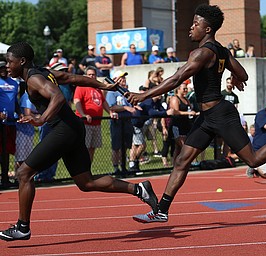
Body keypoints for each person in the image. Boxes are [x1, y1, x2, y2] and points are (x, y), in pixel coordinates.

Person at [125, 4, 266, 223]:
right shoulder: (221, 51)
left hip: (221, 114)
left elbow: (177, 79)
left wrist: (144, 95)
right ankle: (162, 210)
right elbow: (243, 74)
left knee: (253, 160)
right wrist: (235, 76)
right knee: (181, 161)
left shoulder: (202, 53)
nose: (191, 28)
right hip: (206, 118)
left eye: (195, 24)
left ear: (207, 29)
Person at [0, 42, 158, 241]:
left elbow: (57, 97)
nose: (7, 66)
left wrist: (41, 119)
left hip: (63, 130)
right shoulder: (42, 72)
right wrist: (102, 84)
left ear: (21, 61)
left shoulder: (34, 79)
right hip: (72, 128)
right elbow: (70, 77)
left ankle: (23, 227)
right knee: (86, 182)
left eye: (9, 62)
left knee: (24, 173)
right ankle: (139, 189)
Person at [73, 66, 112, 162]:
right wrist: (83, 114)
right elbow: (76, 101)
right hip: (85, 123)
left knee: (92, 148)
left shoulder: (97, 87)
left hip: (96, 122)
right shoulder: (81, 87)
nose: (91, 77)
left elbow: (103, 102)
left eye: (93, 75)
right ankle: (82, 170)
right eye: (89, 74)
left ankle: (88, 170)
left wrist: (110, 112)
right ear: (85, 75)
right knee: (84, 148)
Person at [106, 71, 136, 176]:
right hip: (117, 122)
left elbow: (131, 104)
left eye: (124, 78)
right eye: (121, 78)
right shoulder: (112, 92)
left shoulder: (126, 91)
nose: (123, 80)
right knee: (116, 146)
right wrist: (125, 108)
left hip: (127, 121)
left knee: (126, 145)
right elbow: (111, 106)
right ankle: (116, 168)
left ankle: (124, 166)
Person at [0, 61, 21, 189]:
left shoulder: (14, 83)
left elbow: (16, 101)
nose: (3, 70)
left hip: (10, 121)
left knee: (7, 150)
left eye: (4, 68)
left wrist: (19, 113)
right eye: (0, 68)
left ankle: (5, 178)